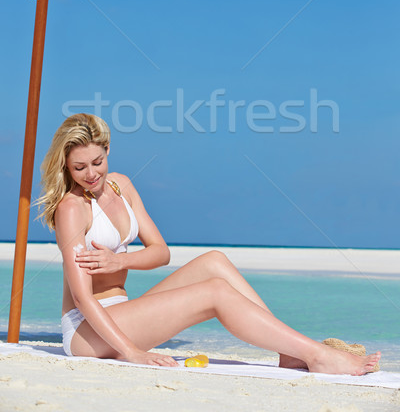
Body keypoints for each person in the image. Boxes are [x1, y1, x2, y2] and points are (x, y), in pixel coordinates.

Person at [37, 113, 380, 374]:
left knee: (214, 261)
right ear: (66, 166)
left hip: (122, 312)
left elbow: (161, 252)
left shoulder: (119, 186)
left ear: (108, 150)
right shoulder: (71, 209)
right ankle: (317, 356)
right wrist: (132, 353)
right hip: (88, 333)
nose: (91, 174)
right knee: (215, 292)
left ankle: (289, 351)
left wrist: (120, 262)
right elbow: (82, 296)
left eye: (97, 162)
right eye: (79, 168)